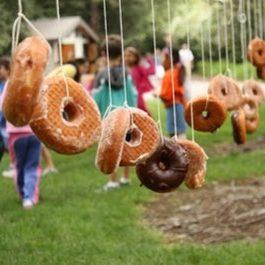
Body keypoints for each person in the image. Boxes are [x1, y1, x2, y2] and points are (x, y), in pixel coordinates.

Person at [92, 35, 137, 191]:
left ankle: (112, 180)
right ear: (121, 53)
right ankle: (126, 177)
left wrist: (95, 116)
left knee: (109, 148)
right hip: (126, 115)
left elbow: (95, 97)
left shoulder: (100, 76)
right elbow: (133, 94)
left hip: (108, 117)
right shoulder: (127, 74)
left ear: (104, 54)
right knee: (126, 145)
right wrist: (134, 112)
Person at [1, 86, 42, 209]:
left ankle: (24, 195)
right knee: (32, 167)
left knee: (19, 166)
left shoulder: (12, 83)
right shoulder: (36, 81)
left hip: (16, 133)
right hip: (34, 132)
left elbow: (2, 105)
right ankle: (31, 196)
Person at [159, 49, 186, 139]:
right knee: (178, 131)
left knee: (175, 132)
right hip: (177, 104)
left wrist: (160, 95)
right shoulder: (176, 71)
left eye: (164, 57)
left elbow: (166, 93)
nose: (162, 60)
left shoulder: (170, 73)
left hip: (174, 105)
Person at [125, 47, 155, 114]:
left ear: (135, 57)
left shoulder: (139, 68)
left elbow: (150, 72)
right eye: (125, 56)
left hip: (138, 96)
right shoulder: (124, 70)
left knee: (142, 115)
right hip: (127, 97)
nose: (127, 58)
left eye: (129, 55)